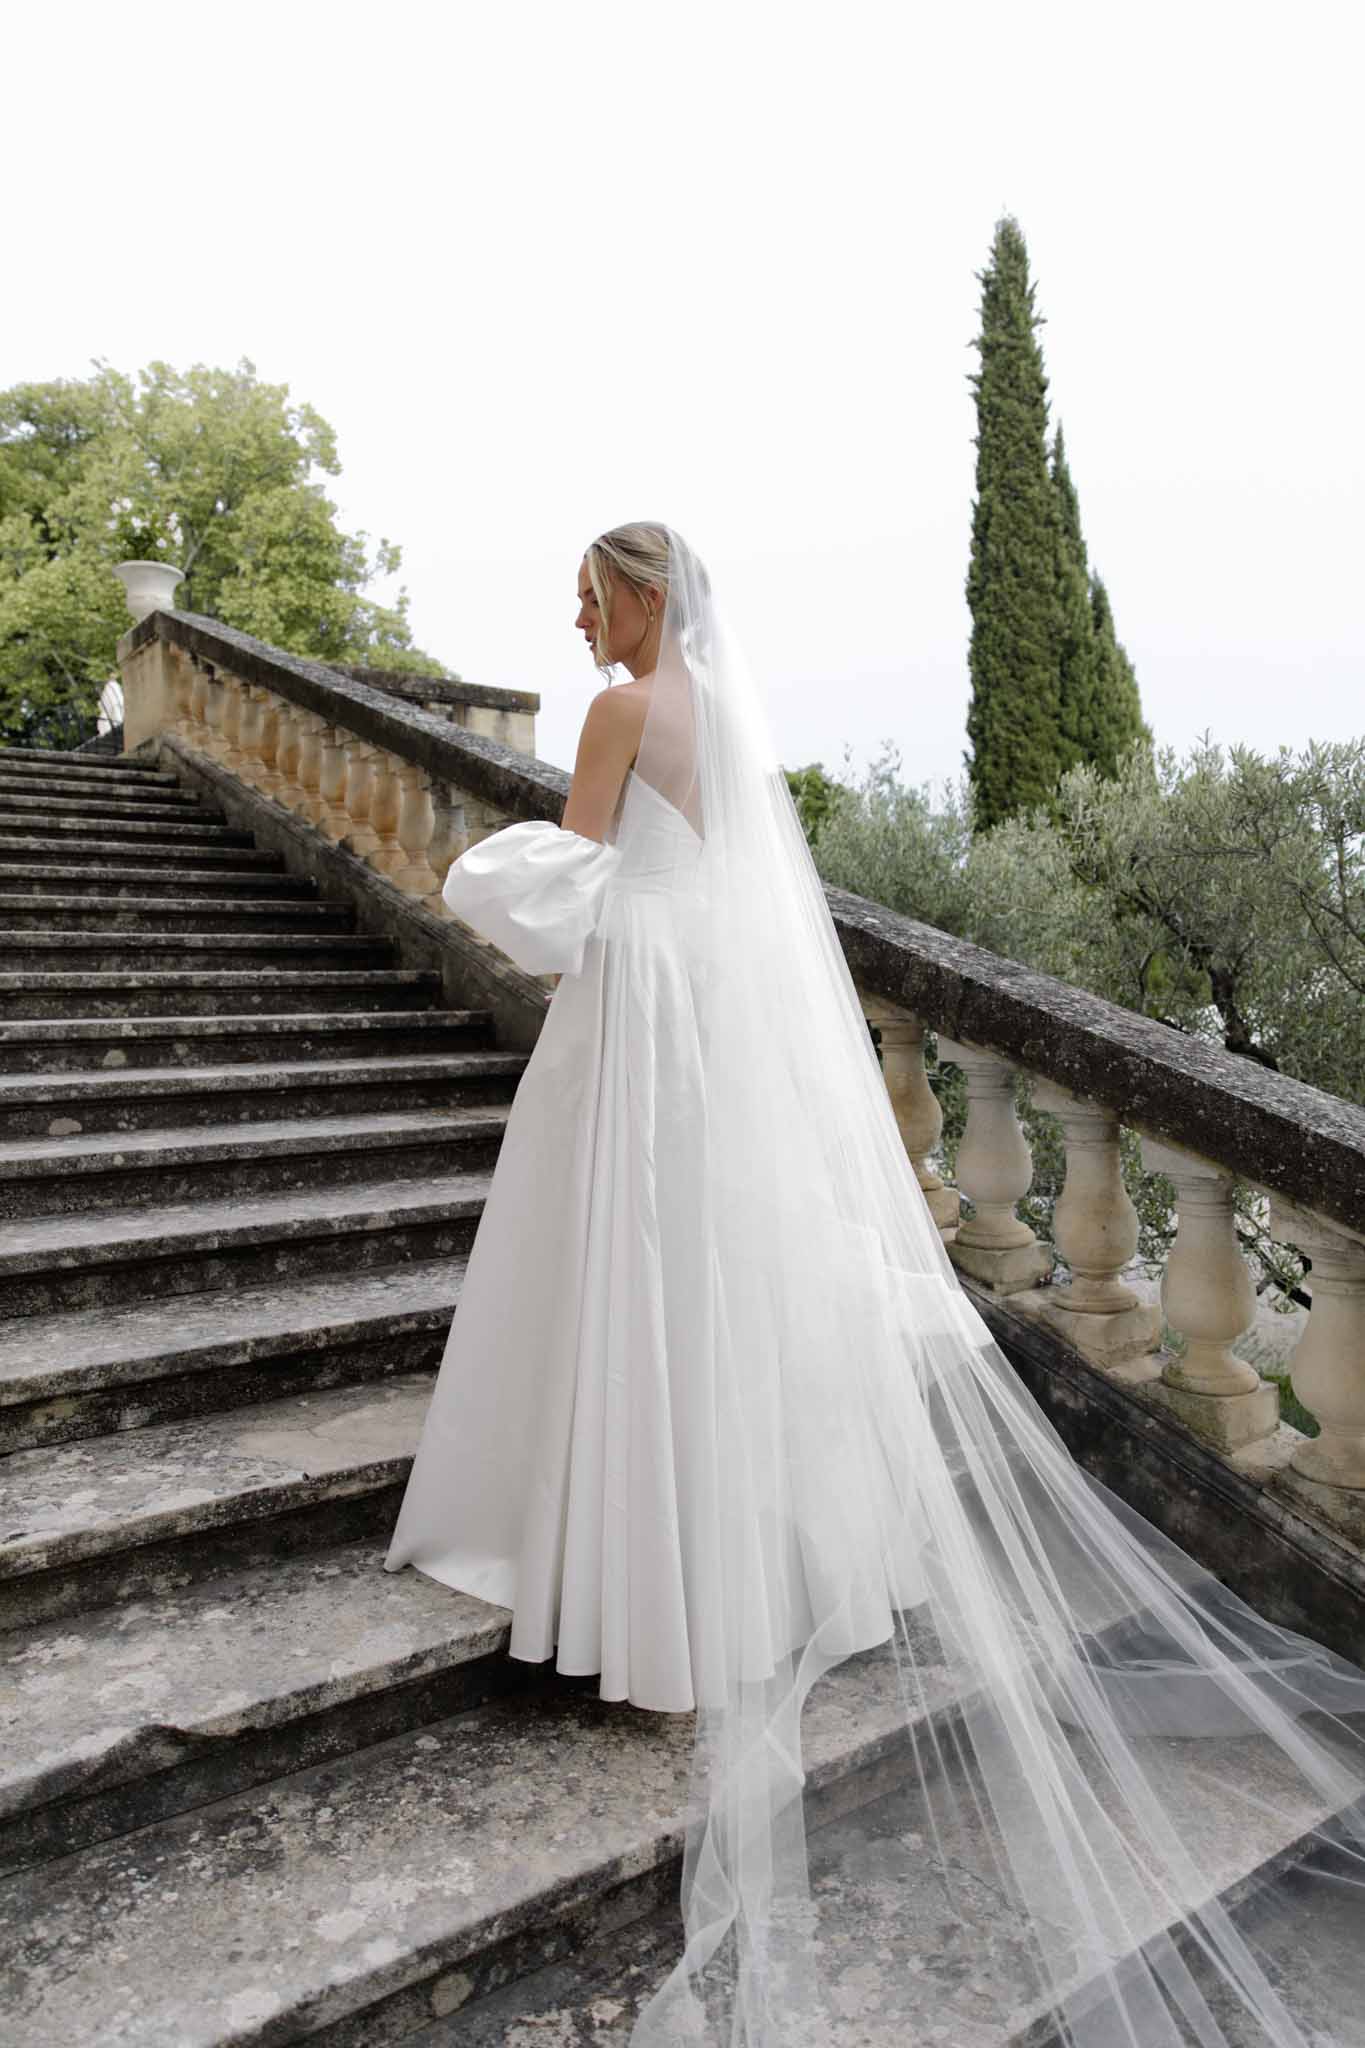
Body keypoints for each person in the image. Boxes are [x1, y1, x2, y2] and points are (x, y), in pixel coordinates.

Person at [385, 522, 1365, 2046]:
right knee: (705, 1279)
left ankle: (637, 1593)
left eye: (590, 593)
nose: (575, 617)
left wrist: (480, 879)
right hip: (705, 1016)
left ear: (642, 596)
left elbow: (575, 885)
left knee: (626, 1269)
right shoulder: (726, 717)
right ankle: (737, 1559)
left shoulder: (624, 709)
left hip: (639, 1009)